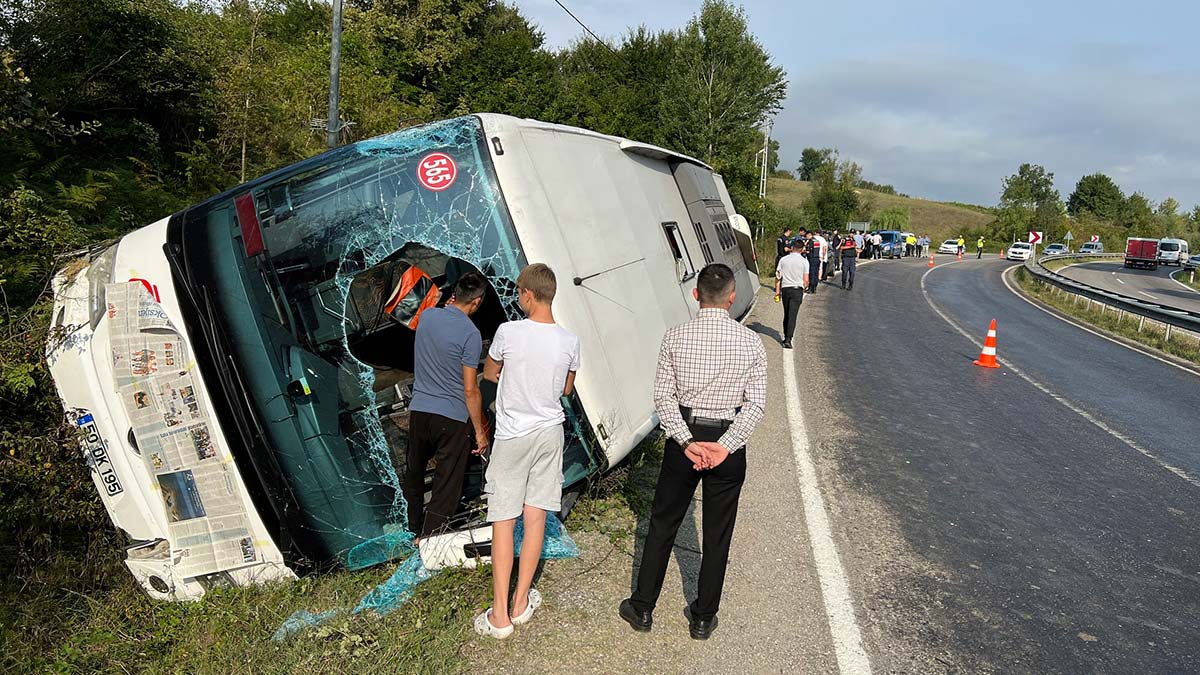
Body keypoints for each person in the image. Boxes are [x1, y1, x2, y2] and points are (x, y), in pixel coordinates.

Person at [620, 263, 767, 641]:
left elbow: (663, 397)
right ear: (732, 296)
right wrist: (725, 446)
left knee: (662, 524)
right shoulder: (751, 343)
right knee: (718, 533)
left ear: (696, 294)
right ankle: (703, 616)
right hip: (726, 442)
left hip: (683, 440)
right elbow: (755, 405)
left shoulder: (675, 336)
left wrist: (686, 442)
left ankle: (642, 607)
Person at [475, 264, 581, 640]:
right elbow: (566, 390)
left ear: (527, 295)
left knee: (503, 520)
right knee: (535, 519)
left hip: (512, 437)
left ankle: (499, 616)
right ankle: (521, 603)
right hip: (549, 434)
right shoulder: (570, 341)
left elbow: (490, 374)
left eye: (518, 292)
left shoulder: (508, 332)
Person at [403, 272, 490, 543]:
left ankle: (413, 528)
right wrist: (480, 431)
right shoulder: (471, 334)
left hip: (419, 411)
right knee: (447, 484)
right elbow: (470, 389)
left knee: (414, 473)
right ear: (476, 302)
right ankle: (428, 539)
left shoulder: (427, 316)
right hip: (452, 417)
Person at [773, 239, 809, 349]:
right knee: (793, 314)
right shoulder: (804, 262)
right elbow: (806, 280)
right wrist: (804, 288)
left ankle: (786, 336)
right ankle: (789, 338)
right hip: (797, 289)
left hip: (786, 289)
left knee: (787, 312)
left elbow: (778, 277)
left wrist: (777, 292)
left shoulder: (783, 260)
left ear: (792, 247)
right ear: (802, 249)